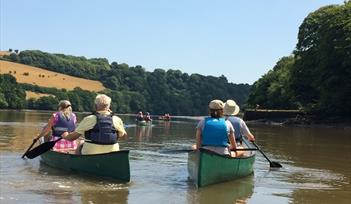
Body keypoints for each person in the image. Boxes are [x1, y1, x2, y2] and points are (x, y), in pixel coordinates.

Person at [61, 94, 127, 155]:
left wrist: (65, 136)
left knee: (81, 142)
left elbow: (72, 137)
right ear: (109, 106)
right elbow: (124, 137)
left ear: (95, 105)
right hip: (113, 152)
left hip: (91, 153)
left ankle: (78, 163)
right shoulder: (116, 119)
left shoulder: (89, 119)